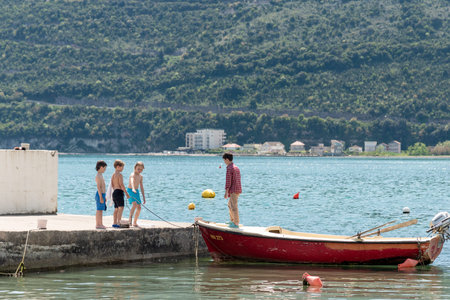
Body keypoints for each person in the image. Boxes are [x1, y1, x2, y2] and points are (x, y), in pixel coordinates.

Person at [223, 153, 242, 228]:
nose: (224, 162)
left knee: (233, 206)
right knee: (229, 205)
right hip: (238, 189)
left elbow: (228, 181)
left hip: (233, 190)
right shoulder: (236, 167)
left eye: (224, 160)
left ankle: (236, 223)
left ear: (227, 159)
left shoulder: (229, 168)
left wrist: (226, 192)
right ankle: (232, 220)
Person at [111, 159, 129, 228]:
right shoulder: (120, 175)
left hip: (114, 192)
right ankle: (119, 222)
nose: (123, 169)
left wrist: (114, 191)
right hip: (119, 192)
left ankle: (114, 222)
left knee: (116, 208)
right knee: (121, 207)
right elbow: (121, 185)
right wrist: (126, 193)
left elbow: (112, 184)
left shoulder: (113, 175)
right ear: (118, 167)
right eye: (122, 167)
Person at [127, 161, 146, 227]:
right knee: (134, 204)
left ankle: (135, 222)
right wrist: (133, 188)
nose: (139, 170)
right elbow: (132, 182)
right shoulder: (132, 174)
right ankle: (129, 220)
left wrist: (143, 197)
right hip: (130, 190)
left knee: (139, 207)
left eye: (141, 169)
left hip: (136, 191)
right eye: (138, 169)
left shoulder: (140, 176)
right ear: (135, 168)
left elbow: (141, 187)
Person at [95, 160, 107, 229]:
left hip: (102, 194)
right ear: (101, 167)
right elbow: (98, 187)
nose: (105, 170)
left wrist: (104, 196)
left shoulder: (101, 175)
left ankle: (100, 223)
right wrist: (100, 197)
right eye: (104, 168)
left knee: (101, 210)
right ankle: (98, 224)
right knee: (99, 210)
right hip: (100, 194)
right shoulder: (98, 176)